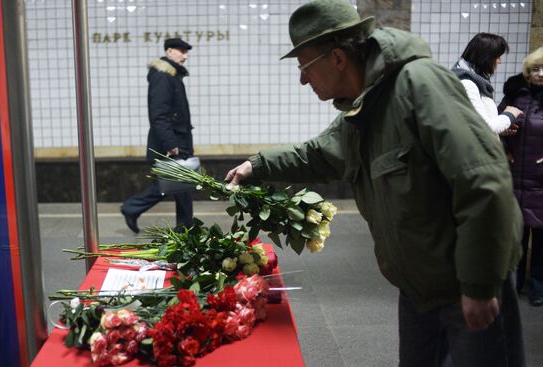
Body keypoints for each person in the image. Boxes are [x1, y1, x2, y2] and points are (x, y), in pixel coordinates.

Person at [224, 0, 525, 365]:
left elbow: (484, 183)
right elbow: (320, 154)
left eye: (305, 66)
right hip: (419, 288)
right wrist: (255, 165)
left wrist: (479, 286)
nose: (303, 78)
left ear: (337, 58)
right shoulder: (363, 105)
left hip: (466, 284)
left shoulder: (419, 86)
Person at [121, 38, 194, 233]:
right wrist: (172, 144)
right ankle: (132, 207)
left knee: (182, 185)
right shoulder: (163, 76)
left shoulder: (172, 76)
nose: (185, 56)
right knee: (168, 185)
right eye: (181, 51)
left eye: (186, 52)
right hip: (170, 143)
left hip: (179, 140)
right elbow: (158, 115)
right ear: (169, 51)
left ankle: (185, 228)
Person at [499, 47, 543, 307]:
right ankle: (512, 286)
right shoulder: (516, 95)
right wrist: (504, 148)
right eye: (535, 69)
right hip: (515, 177)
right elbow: (498, 124)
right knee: (515, 236)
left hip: (540, 181)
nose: (540, 74)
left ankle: (538, 287)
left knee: (542, 241)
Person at [452, 33, 523, 136]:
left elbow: (475, 125)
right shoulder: (467, 84)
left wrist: (502, 126)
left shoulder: (475, 80)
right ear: (486, 58)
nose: (499, 61)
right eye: (497, 57)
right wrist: (510, 114)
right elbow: (484, 128)